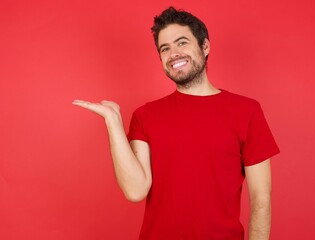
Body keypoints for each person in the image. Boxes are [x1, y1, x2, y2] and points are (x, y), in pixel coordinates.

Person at [73, 6, 279, 240]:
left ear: (205, 46)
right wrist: (113, 122)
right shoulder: (146, 115)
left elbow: (261, 200)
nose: (174, 54)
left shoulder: (247, 111)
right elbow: (135, 190)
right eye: (165, 48)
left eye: (182, 43)